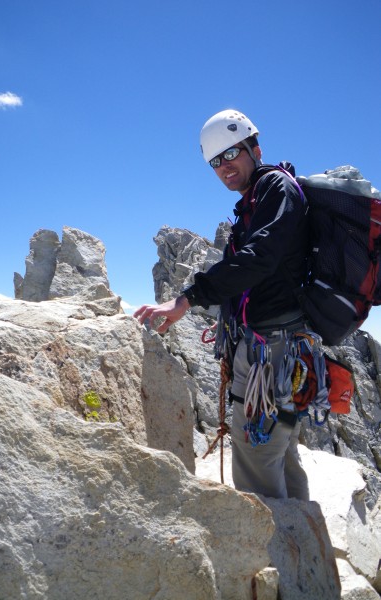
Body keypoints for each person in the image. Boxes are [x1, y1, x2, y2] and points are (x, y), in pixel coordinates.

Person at [134, 109, 310, 500]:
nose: (224, 167)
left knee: (255, 454)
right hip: (271, 345)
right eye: (216, 161)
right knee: (281, 451)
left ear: (255, 148)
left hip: (272, 350)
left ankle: (273, 549)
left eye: (231, 154)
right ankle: (304, 544)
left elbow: (257, 259)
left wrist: (188, 298)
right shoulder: (254, 201)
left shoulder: (276, 189)